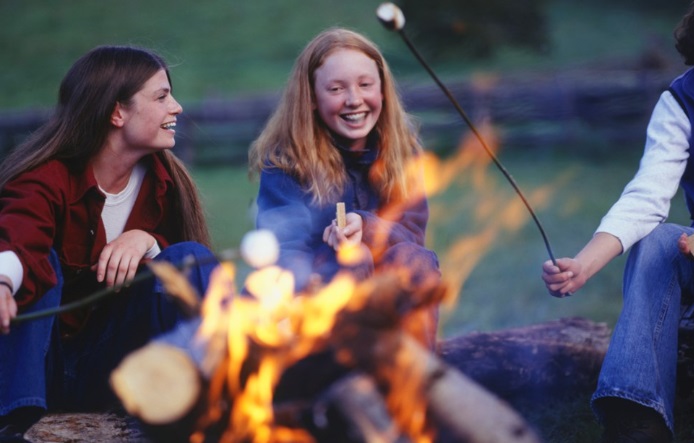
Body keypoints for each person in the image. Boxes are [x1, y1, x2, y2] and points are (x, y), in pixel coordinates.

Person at [0, 45, 218, 442]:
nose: (178, 107)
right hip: (40, 369)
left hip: (117, 370)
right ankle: (10, 425)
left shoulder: (166, 184)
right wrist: (2, 282)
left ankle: (210, 407)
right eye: (161, 96)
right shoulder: (45, 177)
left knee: (191, 260)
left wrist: (150, 241)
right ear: (117, 112)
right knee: (39, 263)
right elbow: (19, 238)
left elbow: (179, 286)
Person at [541, 1, 694, 441]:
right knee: (656, 244)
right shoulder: (683, 101)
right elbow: (648, 196)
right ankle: (637, 414)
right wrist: (585, 264)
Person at [248, 27, 441, 349]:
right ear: (310, 98)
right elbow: (283, 250)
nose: (354, 100)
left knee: (415, 258)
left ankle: (416, 376)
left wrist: (367, 226)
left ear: (383, 90)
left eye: (365, 85)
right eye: (336, 89)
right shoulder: (286, 161)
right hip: (318, 301)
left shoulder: (403, 152)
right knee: (352, 258)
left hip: (391, 293)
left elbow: (412, 232)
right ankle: (348, 378)